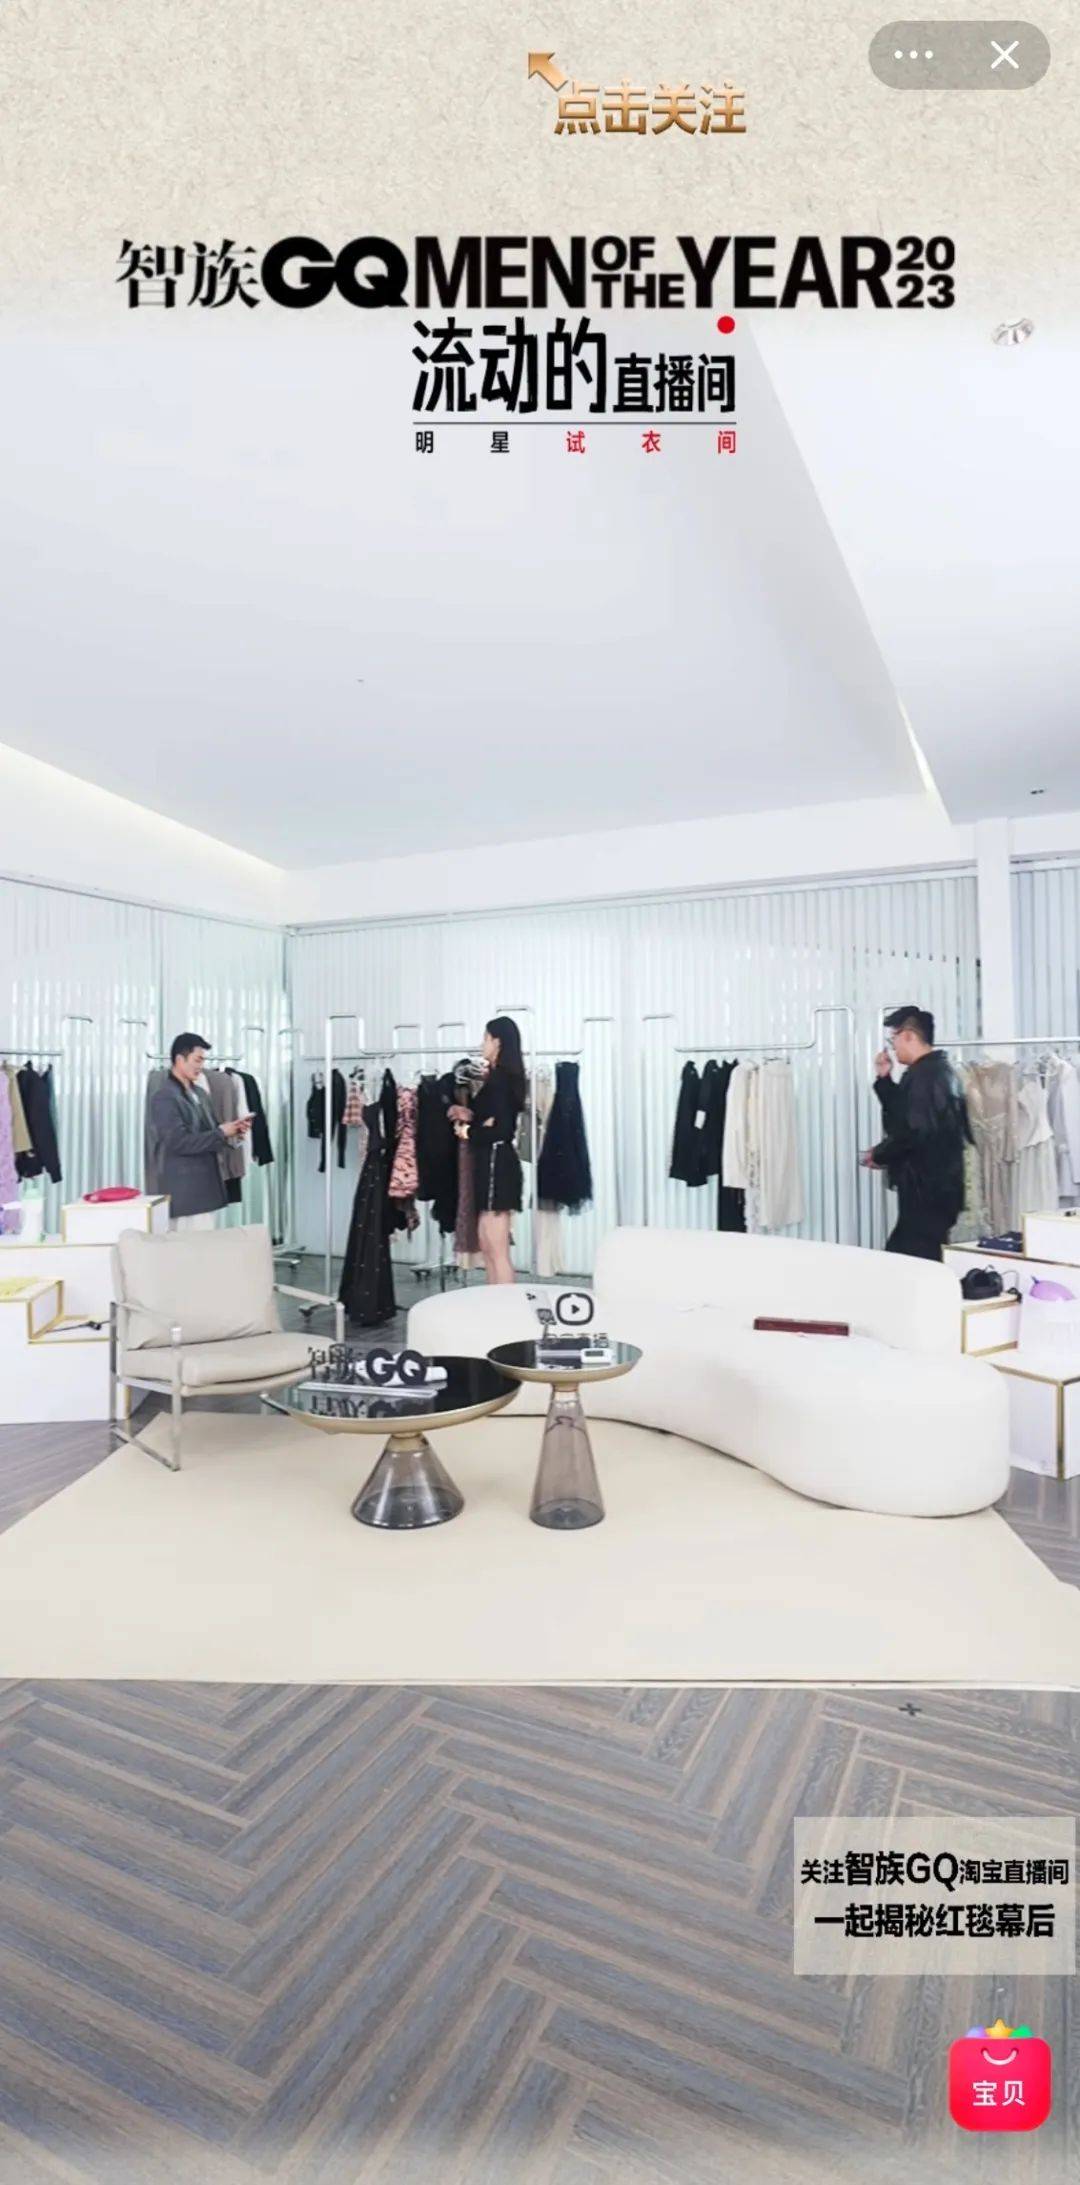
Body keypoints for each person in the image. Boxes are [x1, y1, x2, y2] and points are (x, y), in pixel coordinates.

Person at [861, 1004, 970, 1260]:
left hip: (929, 1189)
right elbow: (905, 1116)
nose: (893, 1047)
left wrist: (880, 1154)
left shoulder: (927, 1075)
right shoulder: (932, 1071)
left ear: (909, 1035)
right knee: (913, 1256)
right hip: (934, 1188)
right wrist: (885, 1079)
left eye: (894, 1039)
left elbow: (913, 1132)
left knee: (908, 1258)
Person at [448, 1015, 525, 1284]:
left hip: (497, 1163)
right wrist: (472, 1116)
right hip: (490, 1161)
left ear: (497, 1042)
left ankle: (506, 1304)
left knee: (496, 1247)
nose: (482, 1044)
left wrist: (469, 1131)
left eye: (485, 1038)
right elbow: (490, 1118)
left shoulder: (502, 1079)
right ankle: (496, 1301)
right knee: (487, 1244)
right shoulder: (497, 1078)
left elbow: (501, 1129)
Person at [151, 1032, 251, 1230]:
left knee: (204, 1242)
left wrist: (234, 1132)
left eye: (203, 1061)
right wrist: (221, 1132)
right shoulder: (165, 1097)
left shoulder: (200, 1093)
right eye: (197, 1060)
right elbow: (177, 1142)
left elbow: (211, 1132)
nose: (201, 1066)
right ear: (180, 1060)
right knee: (187, 1244)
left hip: (205, 1187)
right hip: (184, 1190)